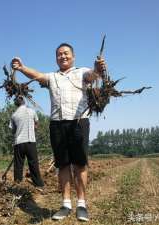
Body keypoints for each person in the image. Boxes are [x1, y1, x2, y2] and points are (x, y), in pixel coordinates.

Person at [11, 43, 106, 222]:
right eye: (59, 54)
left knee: (80, 164)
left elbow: (93, 75)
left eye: (66, 53)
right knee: (62, 165)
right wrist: (22, 68)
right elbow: (37, 75)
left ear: (73, 56)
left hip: (79, 123)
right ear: (56, 58)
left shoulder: (81, 72)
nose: (63, 56)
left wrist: (98, 69)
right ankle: (66, 204)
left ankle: (82, 204)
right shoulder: (52, 77)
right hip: (57, 125)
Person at [9, 96, 44, 188]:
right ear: (24, 101)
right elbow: (37, 123)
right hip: (30, 141)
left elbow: (13, 131)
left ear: (16, 104)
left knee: (18, 165)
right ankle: (38, 184)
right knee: (33, 163)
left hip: (19, 143)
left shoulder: (14, 115)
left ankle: (17, 184)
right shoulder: (31, 111)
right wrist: (33, 129)